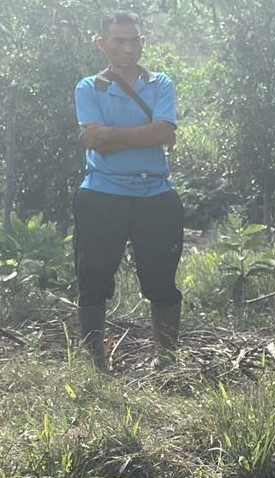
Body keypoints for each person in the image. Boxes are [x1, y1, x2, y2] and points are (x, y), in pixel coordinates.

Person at [73, 10, 183, 370]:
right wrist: (145, 135)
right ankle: (95, 366)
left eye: (134, 39)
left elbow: (164, 133)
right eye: (118, 41)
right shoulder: (90, 87)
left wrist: (109, 134)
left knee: (162, 281)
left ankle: (166, 361)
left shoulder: (161, 83)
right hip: (101, 196)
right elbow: (98, 145)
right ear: (102, 44)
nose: (127, 48)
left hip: (156, 196)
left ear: (143, 43)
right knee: (94, 280)